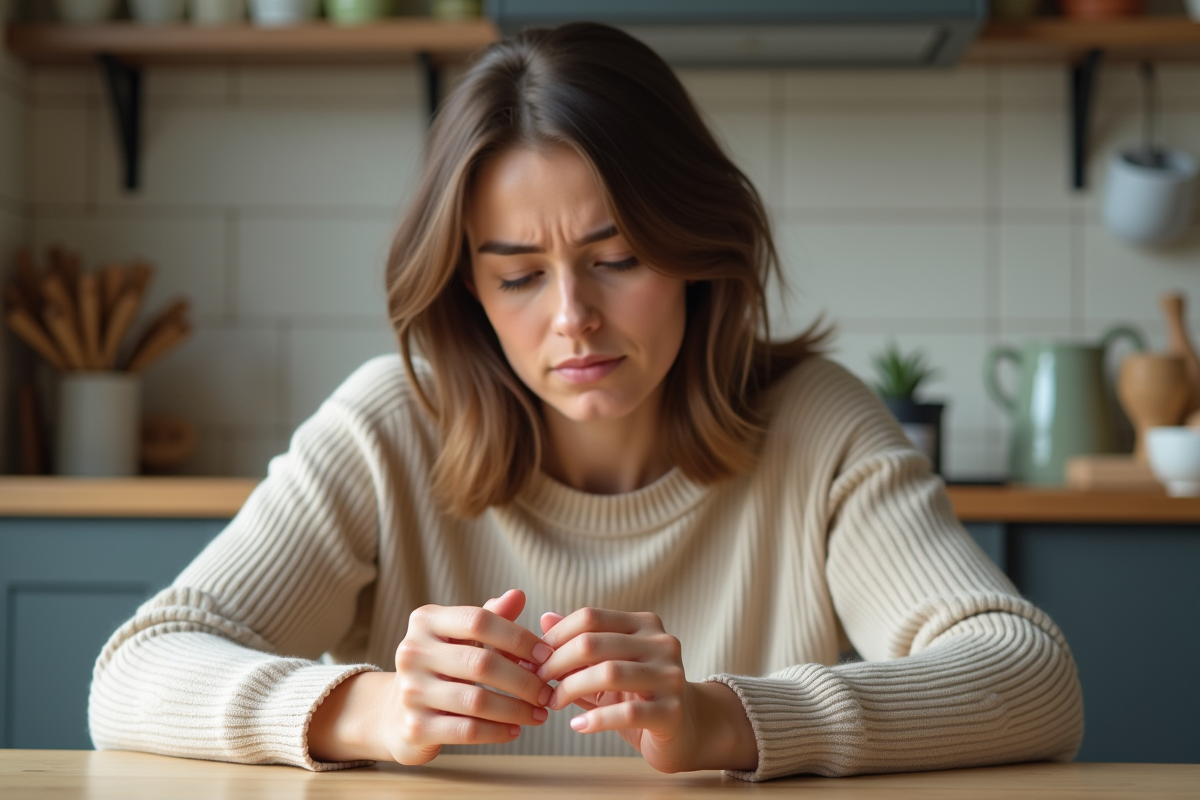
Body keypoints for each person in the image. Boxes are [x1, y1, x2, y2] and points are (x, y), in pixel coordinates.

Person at [88, 23, 1084, 781]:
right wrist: (375, 708)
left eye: (620, 258)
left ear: (695, 252)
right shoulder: (388, 425)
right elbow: (132, 671)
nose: (573, 318)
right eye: (519, 275)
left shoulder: (815, 425)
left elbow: (1032, 676)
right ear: (469, 290)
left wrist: (723, 719)